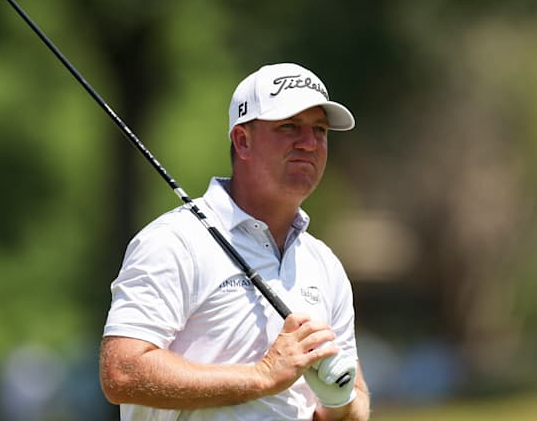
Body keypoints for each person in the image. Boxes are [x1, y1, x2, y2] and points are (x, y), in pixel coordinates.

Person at [100, 62, 370, 420]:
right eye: (289, 127)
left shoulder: (324, 264)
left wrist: (338, 400)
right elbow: (122, 372)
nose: (309, 143)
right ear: (243, 141)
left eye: (319, 130)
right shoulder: (174, 242)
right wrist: (260, 378)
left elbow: (356, 401)